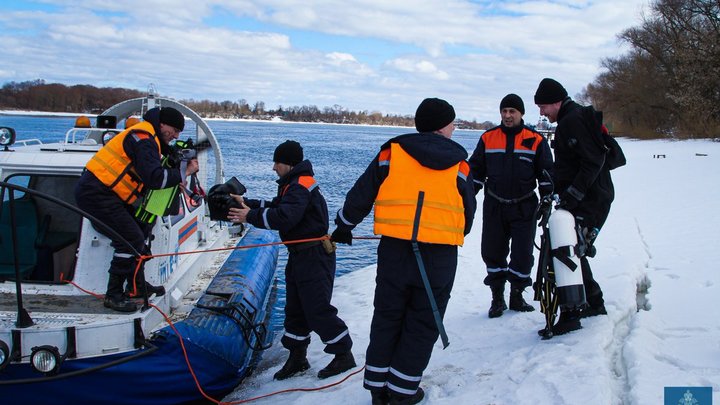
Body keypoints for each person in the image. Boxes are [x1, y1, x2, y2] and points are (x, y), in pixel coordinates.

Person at [332, 98, 476, 405]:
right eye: (452, 123)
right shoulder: (461, 164)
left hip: (395, 251)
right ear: (442, 126)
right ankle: (402, 392)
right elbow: (468, 212)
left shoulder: (391, 152)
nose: (454, 128)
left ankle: (377, 388)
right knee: (423, 322)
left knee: (387, 316)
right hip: (439, 256)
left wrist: (344, 225)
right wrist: (450, 232)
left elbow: (362, 192)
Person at [227, 140, 355, 381]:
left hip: (314, 256)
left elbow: (285, 217)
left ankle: (343, 354)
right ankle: (297, 358)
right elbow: (277, 206)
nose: (274, 167)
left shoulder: (300, 185)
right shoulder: (292, 184)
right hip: (300, 255)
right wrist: (249, 204)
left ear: (289, 163)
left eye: (277, 162)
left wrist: (249, 216)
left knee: (317, 308)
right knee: (295, 309)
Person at [75, 107, 198, 312]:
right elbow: (154, 178)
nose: (176, 135)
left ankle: (136, 286)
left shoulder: (149, 137)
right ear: (162, 124)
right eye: (174, 130)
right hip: (96, 193)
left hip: (109, 194)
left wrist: (173, 153)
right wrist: (183, 172)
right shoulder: (143, 138)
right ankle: (113, 295)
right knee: (130, 239)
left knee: (141, 231)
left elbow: (158, 153)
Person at [534, 78, 614, 335]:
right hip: (591, 195)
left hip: (591, 197)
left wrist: (573, 195)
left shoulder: (573, 120)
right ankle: (592, 302)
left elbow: (594, 160)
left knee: (568, 247)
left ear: (556, 101)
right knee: (575, 248)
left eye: (543, 106)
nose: (541, 112)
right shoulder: (572, 118)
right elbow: (571, 164)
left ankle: (572, 313)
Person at [468, 94, 553, 318]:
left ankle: (517, 296)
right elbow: (475, 171)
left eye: (512, 111)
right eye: (504, 111)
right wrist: (467, 195)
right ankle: (497, 298)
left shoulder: (535, 140)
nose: (507, 115)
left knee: (523, 254)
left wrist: (547, 200)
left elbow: (547, 175)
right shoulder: (488, 138)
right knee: (492, 251)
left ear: (521, 114)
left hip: (525, 206)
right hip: (495, 204)